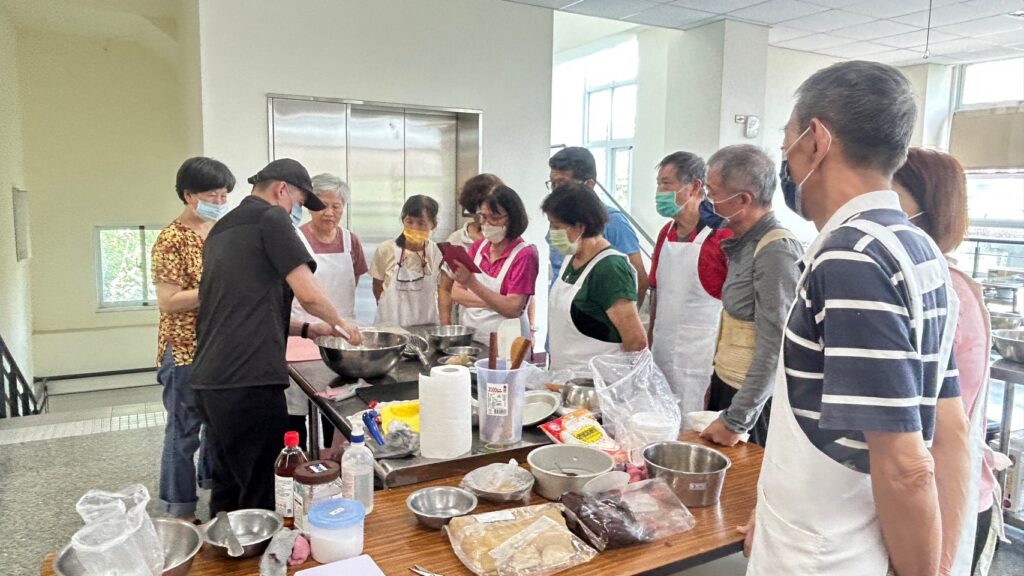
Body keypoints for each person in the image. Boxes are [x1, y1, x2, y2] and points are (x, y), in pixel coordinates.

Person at [741, 61, 971, 576]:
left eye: (786, 144)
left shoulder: (852, 257)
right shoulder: (917, 248)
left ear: (816, 140)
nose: (786, 159)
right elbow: (951, 428)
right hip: (824, 532)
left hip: (827, 554)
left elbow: (908, 467)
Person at [191, 158, 361, 515]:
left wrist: (306, 329)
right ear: (282, 189)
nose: (297, 212)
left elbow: (243, 306)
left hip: (210, 381)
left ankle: (227, 557)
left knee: (228, 486)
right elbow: (310, 294)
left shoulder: (221, 230)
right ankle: (261, 563)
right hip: (248, 380)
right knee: (262, 494)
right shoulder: (272, 219)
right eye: (299, 203)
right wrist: (344, 325)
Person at [894, 148, 997, 575]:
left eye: (889, 197)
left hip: (942, 504)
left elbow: (937, 436)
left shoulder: (942, 292)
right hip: (919, 500)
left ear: (927, 209)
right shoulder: (922, 280)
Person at [696, 145, 802, 448]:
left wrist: (737, 418)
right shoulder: (741, 243)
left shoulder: (776, 251)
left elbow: (774, 346)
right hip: (728, 388)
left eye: (712, 192)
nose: (707, 201)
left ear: (743, 200)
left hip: (756, 405)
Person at [151, 156, 234, 521]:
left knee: (216, 427)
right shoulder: (171, 239)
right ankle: (178, 509)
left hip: (218, 346)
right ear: (189, 195)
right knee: (183, 432)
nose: (219, 202)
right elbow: (169, 301)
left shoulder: (220, 232)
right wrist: (215, 290)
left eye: (224, 195)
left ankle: (215, 487)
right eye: (212, 196)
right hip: (183, 350)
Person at [647, 151, 733, 418]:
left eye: (667, 183)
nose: (659, 191)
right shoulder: (666, 233)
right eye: (659, 184)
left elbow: (733, 308)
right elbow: (656, 292)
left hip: (700, 359)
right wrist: (649, 341)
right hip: (661, 350)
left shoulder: (723, 236)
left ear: (695, 186)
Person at [286, 173, 367, 450]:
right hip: (301, 334)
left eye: (337, 206)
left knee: (338, 406)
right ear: (310, 205)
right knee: (296, 411)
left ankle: (334, 465)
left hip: (341, 337)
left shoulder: (350, 241)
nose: (330, 212)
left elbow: (353, 281)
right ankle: (299, 466)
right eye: (323, 205)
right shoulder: (294, 238)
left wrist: (339, 320)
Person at [541, 183, 647, 373]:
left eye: (556, 226)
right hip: (564, 378)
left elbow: (636, 341)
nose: (551, 233)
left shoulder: (610, 269)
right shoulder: (571, 258)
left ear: (580, 226)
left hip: (596, 384)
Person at [547, 147, 648, 306]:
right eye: (553, 185)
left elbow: (639, 281)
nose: (557, 193)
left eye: (564, 185)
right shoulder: (558, 221)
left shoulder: (613, 222)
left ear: (589, 185)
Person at [451, 185, 539, 344]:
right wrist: (495, 303)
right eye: (483, 217)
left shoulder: (525, 255)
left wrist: (472, 284)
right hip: (473, 338)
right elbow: (457, 293)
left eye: (495, 218)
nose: (487, 223)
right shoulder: (478, 248)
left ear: (513, 217)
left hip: (508, 343)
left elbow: (512, 308)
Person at [440, 174, 502, 325]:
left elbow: (526, 295)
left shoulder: (510, 241)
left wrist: (532, 327)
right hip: (472, 325)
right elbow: (446, 289)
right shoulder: (456, 241)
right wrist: (446, 328)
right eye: (479, 213)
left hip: (507, 326)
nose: (483, 220)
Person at [371, 195, 442, 327]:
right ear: (403, 220)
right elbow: (377, 288)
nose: (414, 228)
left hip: (426, 328)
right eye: (409, 222)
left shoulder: (437, 253)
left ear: (433, 225)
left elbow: (442, 292)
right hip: (390, 329)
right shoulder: (386, 249)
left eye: (421, 223)